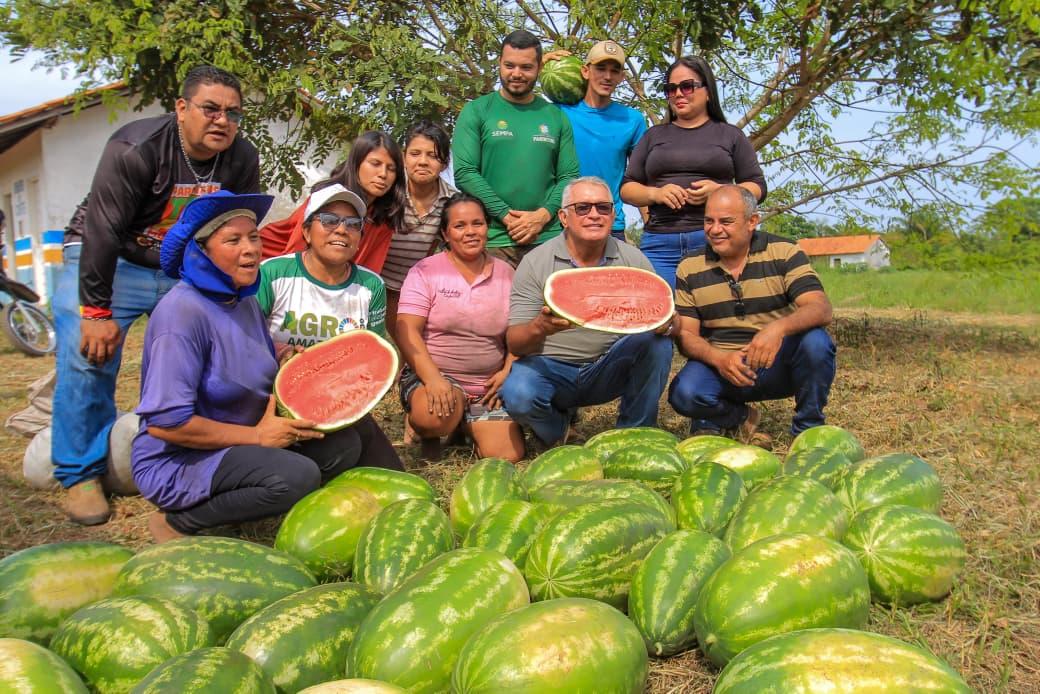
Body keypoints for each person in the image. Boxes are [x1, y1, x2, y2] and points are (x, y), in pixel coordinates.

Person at [53, 66, 260, 525]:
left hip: (179, 263)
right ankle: (80, 472)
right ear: (182, 108)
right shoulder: (135, 148)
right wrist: (95, 310)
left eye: (233, 112)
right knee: (88, 354)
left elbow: (236, 227)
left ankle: (195, 449)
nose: (222, 120)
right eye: (210, 108)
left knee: (219, 349)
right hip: (108, 256)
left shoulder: (242, 157)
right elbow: (103, 230)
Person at [133, 191, 403, 544]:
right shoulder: (181, 314)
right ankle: (180, 523)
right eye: (233, 240)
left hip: (245, 434)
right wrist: (258, 437)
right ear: (201, 251)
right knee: (298, 477)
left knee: (343, 445)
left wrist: (286, 358)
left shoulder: (239, 298)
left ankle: (393, 500)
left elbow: (243, 353)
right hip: (182, 459)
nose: (251, 249)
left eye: (254, 237)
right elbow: (167, 426)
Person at [499, 177, 677, 447]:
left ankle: (634, 435)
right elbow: (515, 342)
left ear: (613, 214)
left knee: (658, 345)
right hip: (550, 369)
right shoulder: (535, 262)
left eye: (603, 208)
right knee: (518, 393)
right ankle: (559, 430)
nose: (594, 214)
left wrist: (667, 323)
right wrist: (540, 327)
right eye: (582, 208)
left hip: (607, 366)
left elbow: (667, 320)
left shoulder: (633, 260)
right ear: (563, 217)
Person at [668, 186, 836, 445]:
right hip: (725, 366)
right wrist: (719, 358)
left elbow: (820, 308)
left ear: (752, 222)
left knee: (816, 342)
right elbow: (687, 335)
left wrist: (776, 330)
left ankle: (808, 429)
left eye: (726, 221)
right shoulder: (690, 267)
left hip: (777, 363)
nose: (714, 229)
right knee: (684, 394)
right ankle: (739, 417)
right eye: (708, 221)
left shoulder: (784, 252)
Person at [255, 183, 402, 469]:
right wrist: (279, 352)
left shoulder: (371, 286)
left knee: (394, 474)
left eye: (352, 224)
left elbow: (371, 359)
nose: (341, 230)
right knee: (340, 452)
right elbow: (243, 340)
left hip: (336, 399)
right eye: (329, 220)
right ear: (307, 231)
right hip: (270, 401)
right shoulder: (272, 273)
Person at [395, 193, 524, 462]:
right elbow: (407, 330)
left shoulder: (506, 273)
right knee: (434, 417)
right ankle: (430, 428)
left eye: (477, 224)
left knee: (507, 456)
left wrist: (508, 369)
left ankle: (466, 423)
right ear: (445, 232)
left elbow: (519, 332)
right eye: (460, 226)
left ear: (487, 228)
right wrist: (432, 379)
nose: (470, 232)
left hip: (486, 387)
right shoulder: (426, 271)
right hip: (436, 377)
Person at [620, 55, 766, 289]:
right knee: (658, 317)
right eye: (671, 88)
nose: (678, 94)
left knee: (715, 317)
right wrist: (655, 194)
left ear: (708, 91)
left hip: (714, 240)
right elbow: (627, 188)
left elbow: (757, 187)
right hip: (660, 244)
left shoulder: (730, 135)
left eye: (687, 86)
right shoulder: (653, 136)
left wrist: (721, 192)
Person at [452, 29, 580, 268]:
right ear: (499, 63)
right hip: (492, 240)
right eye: (509, 65)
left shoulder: (555, 116)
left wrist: (541, 216)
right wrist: (506, 215)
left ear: (539, 68)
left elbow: (569, 177)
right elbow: (465, 172)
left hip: (548, 239)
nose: (517, 74)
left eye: (526, 67)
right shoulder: (477, 110)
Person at [260, 131, 406, 277]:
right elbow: (294, 261)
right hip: (270, 268)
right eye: (375, 164)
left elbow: (368, 274)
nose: (383, 174)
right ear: (356, 164)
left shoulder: (384, 218)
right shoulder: (326, 198)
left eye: (391, 169)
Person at [554, 40, 647, 242]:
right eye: (600, 68)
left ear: (622, 77)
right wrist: (540, 62)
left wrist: (651, 228)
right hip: (563, 224)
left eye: (615, 71)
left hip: (610, 225)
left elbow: (641, 178)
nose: (607, 76)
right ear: (585, 71)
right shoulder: (558, 112)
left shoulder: (633, 120)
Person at [381, 121, 457, 342]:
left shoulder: (451, 201)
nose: (423, 161)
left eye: (433, 156)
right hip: (372, 282)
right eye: (415, 153)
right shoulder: (388, 190)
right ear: (404, 157)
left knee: (408, 346)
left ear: (444, 163)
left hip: (409, 289)